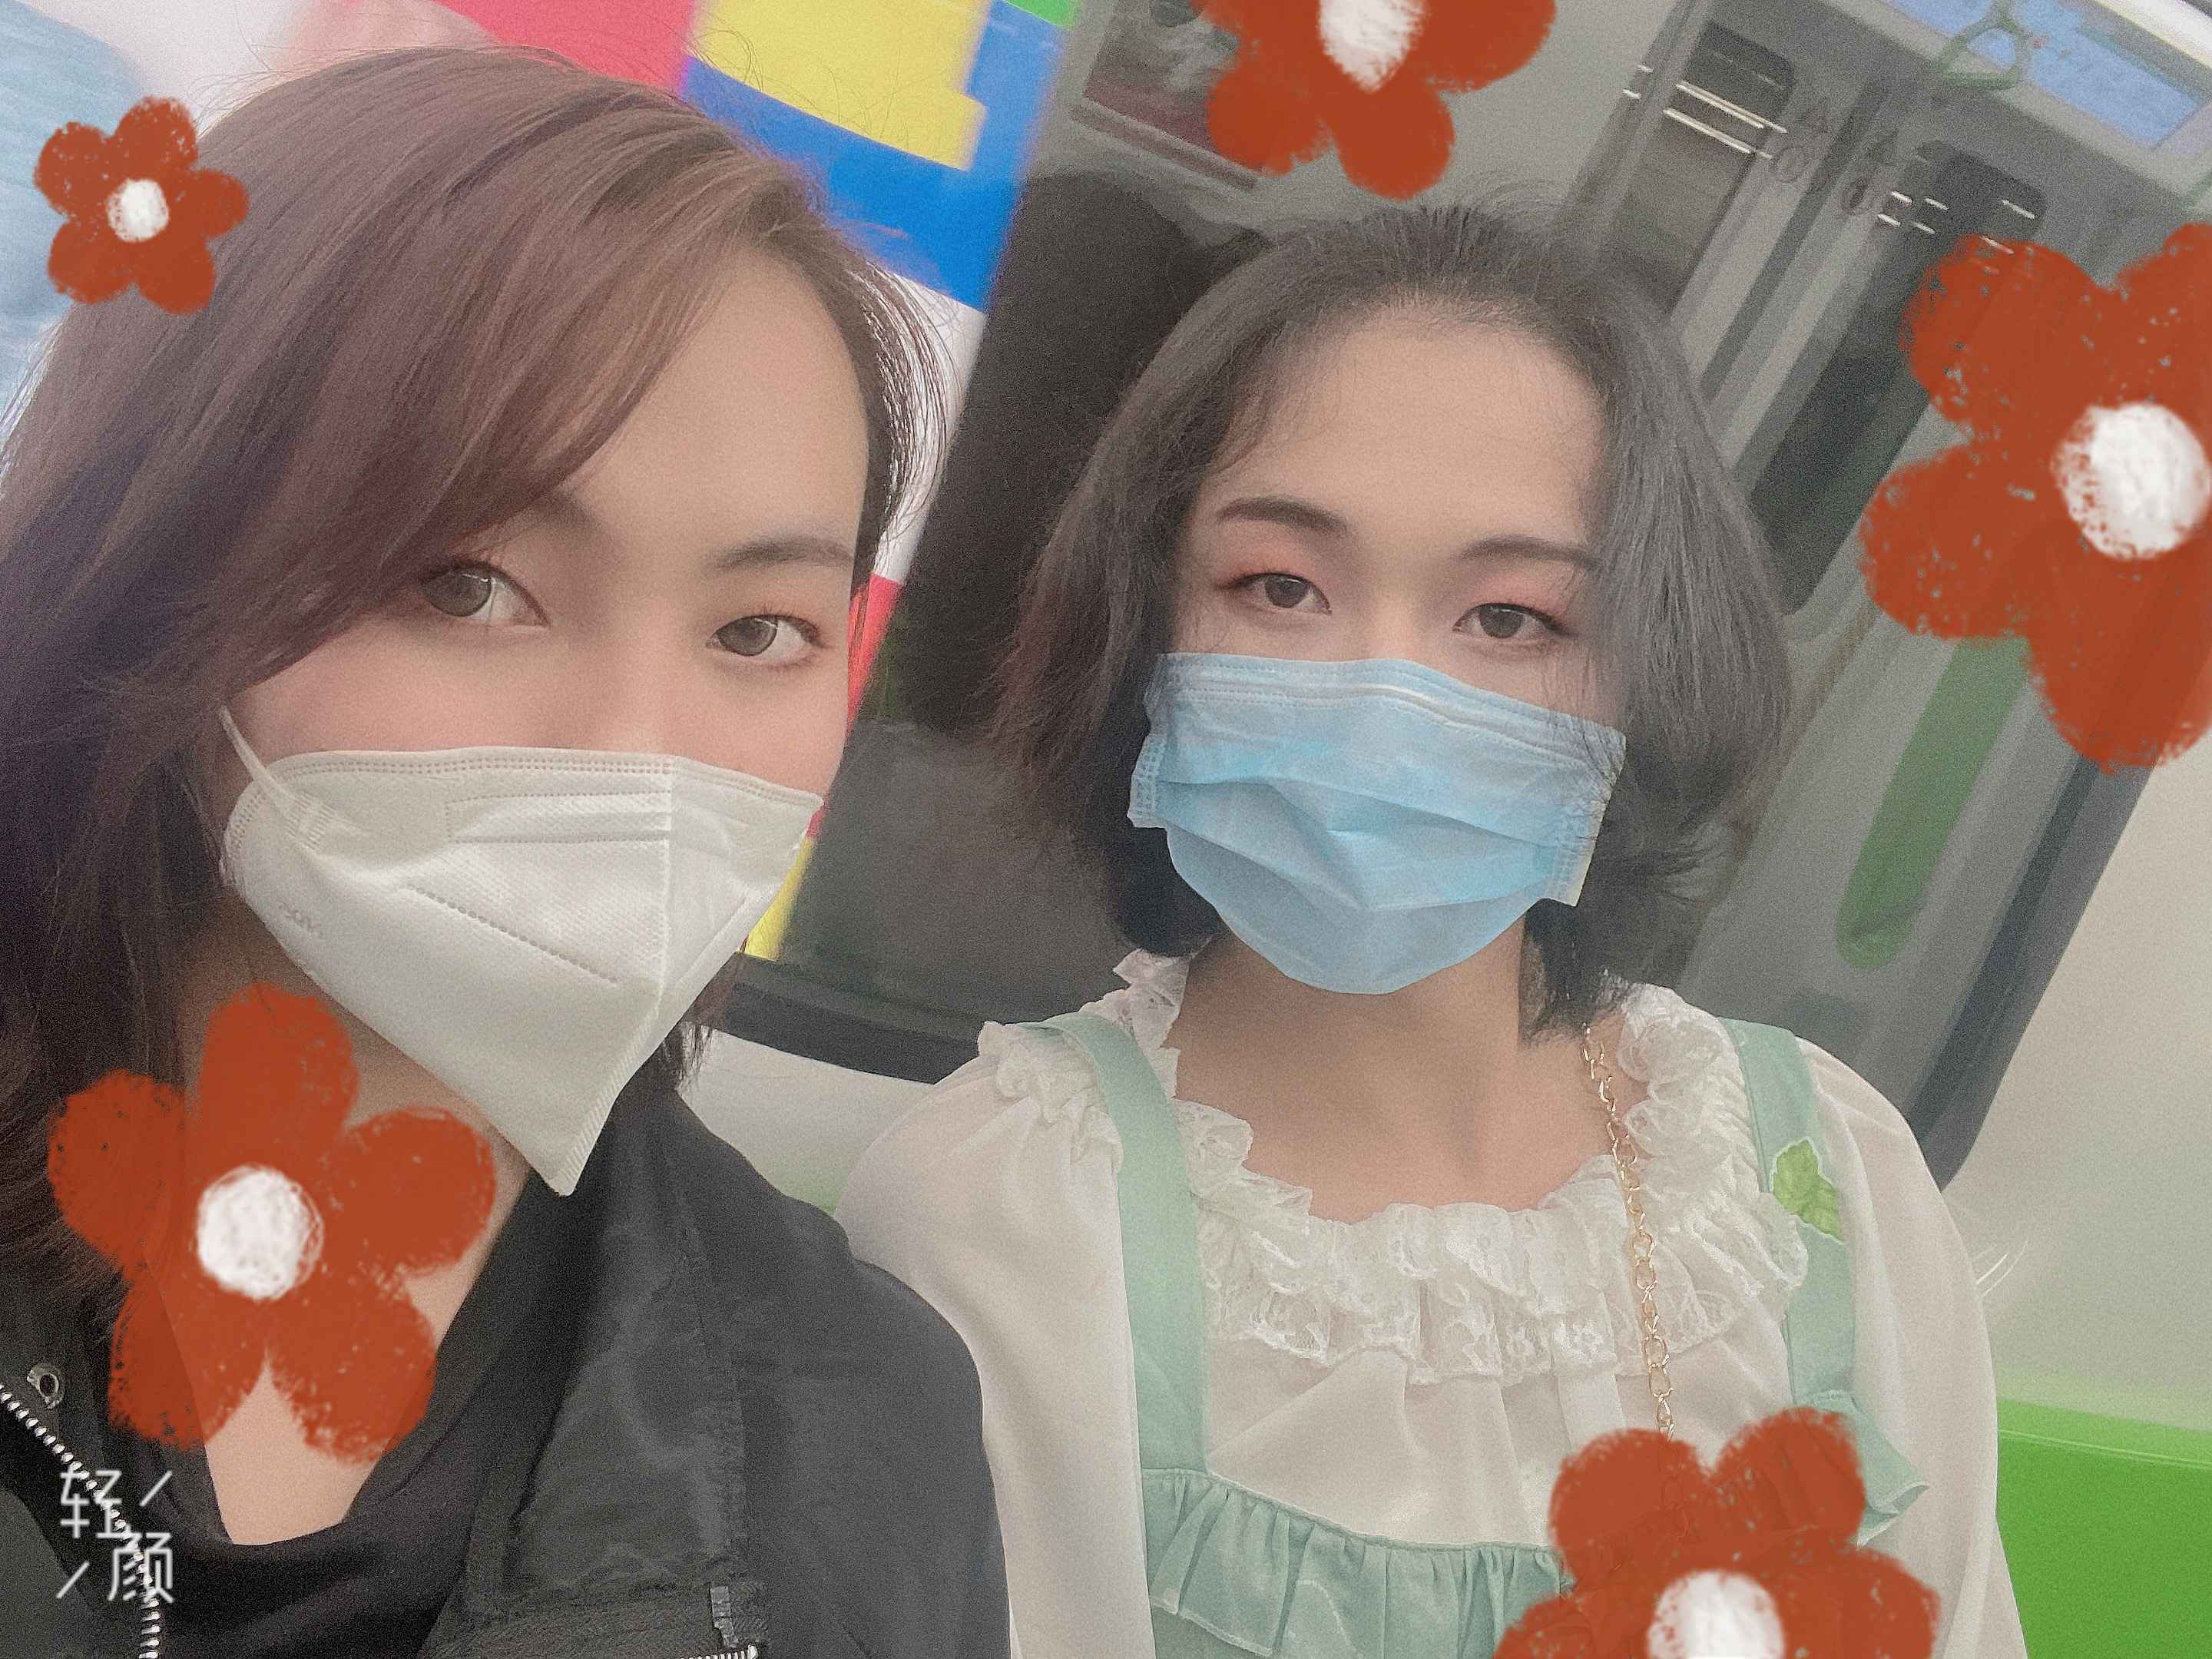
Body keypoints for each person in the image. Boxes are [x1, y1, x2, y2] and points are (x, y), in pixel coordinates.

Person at [836, 200, 2026, 1657]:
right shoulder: (1000, 1212)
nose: (1385, 698)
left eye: (1510, 619)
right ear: (1143, 634)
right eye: (1282, 588)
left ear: (1642, 677)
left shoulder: (1834, 1178)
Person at [0, 47, 1008, 1659]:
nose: (638, 749)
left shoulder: (860, 1441)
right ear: (156, 564)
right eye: (468, 585)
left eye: (759, 629)